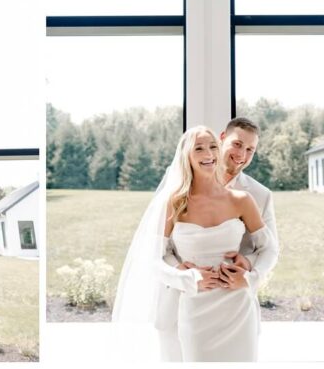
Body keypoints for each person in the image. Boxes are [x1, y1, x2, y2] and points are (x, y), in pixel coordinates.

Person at [113, 125, 278, 362]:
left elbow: (269, 248)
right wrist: (187, 279)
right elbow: (153, 257)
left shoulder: (243, 199)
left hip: (237, 305)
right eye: (198, 148)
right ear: (186, 156)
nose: (208, 153)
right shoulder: (175, 203)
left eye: (212, 147)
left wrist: (251, 276)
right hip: (193, 304)